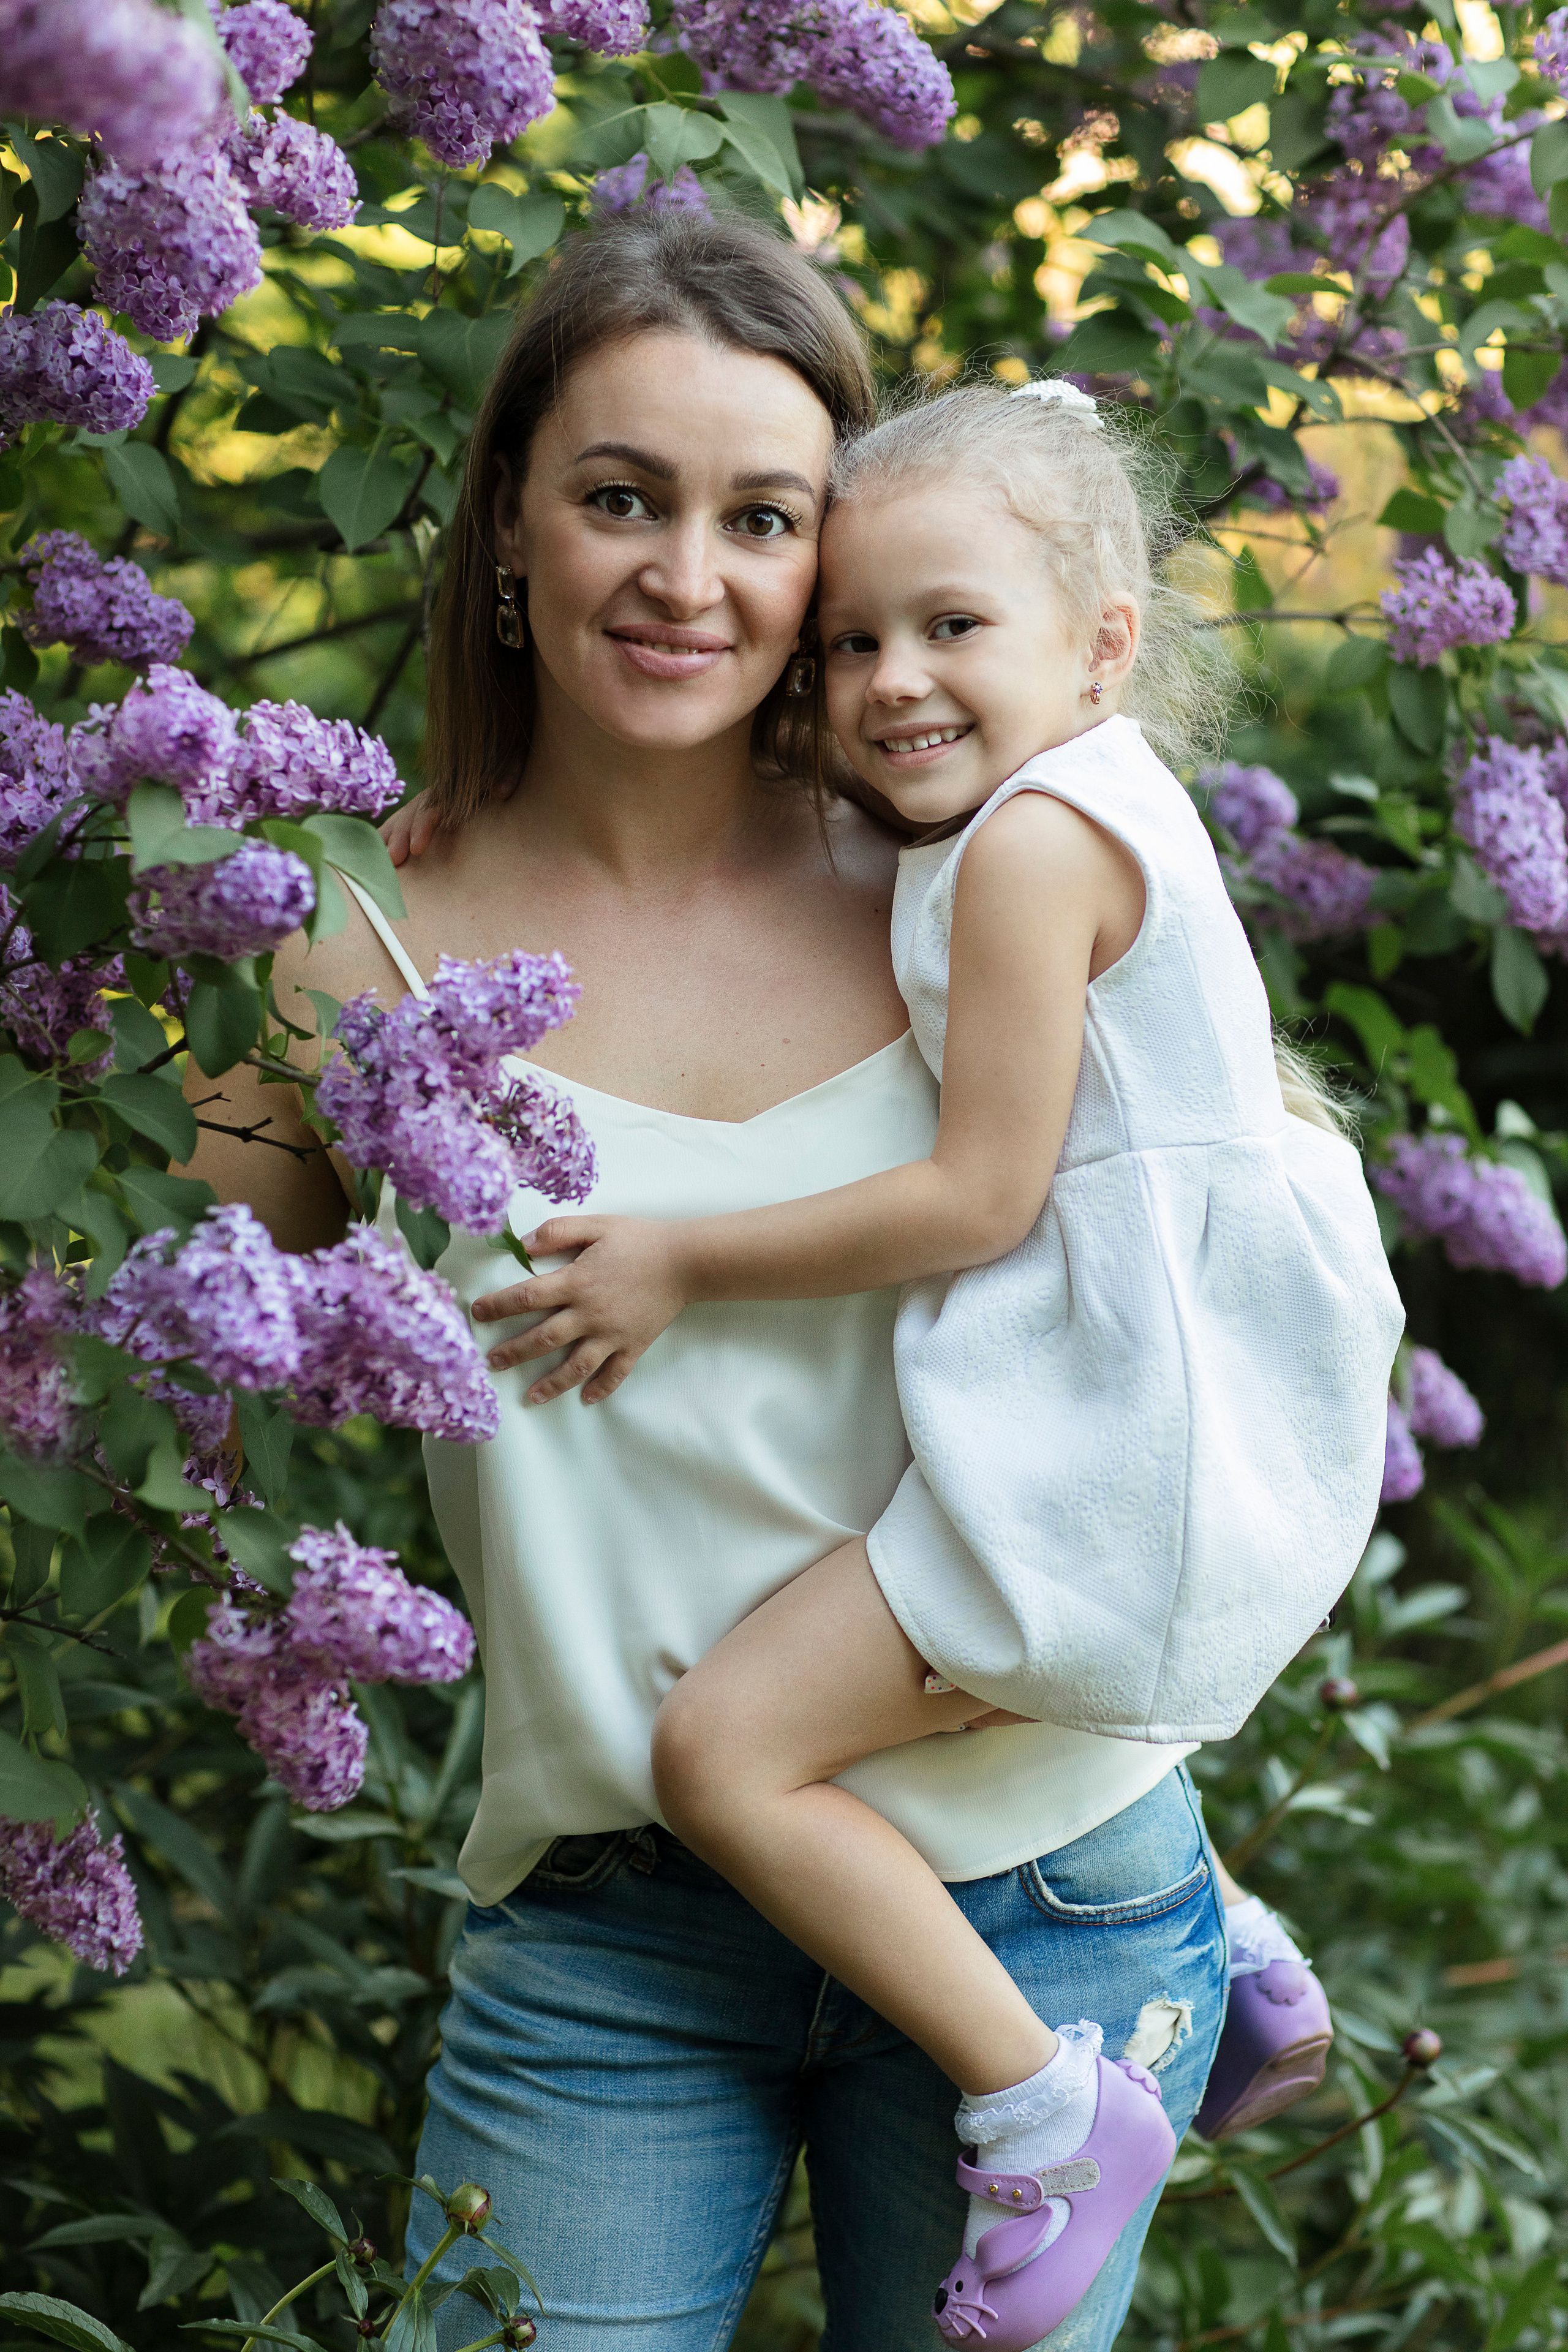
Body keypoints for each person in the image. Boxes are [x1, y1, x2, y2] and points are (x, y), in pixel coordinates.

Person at [191, 209, 1228, 2349]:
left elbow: (1206, 1283)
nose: (688, 577)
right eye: (619, 499)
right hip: (606, 1934)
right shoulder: (336, 952)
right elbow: (149, 1347)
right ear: (504, 524)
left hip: (1034, 1895)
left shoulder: (962, 874)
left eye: (763, 517)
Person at [442, 379, 1404, 2346]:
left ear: (1103, 637)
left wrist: (686, 1262)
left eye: (949, 626)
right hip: (1129, 1471)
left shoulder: (1024, 852)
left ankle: (1057, 2103)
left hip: (1085, 1565)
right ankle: (1209, 1936)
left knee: (722, 1748)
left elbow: (980, 1200)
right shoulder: (1048, 813)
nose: (889, 680)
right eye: (862, 636)